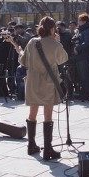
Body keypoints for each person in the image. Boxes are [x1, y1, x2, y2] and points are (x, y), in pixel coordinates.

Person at [18, 16, 68, 160]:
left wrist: (20, 51)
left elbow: (23, 61)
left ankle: (31, 145)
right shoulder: (55, 44)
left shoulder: (32, 42)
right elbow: (63, 59)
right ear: (52, 29)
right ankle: (48, 149)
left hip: (33, 81)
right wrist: (58, 41)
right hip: (48, 81)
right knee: (48, 114)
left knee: (32, 113)